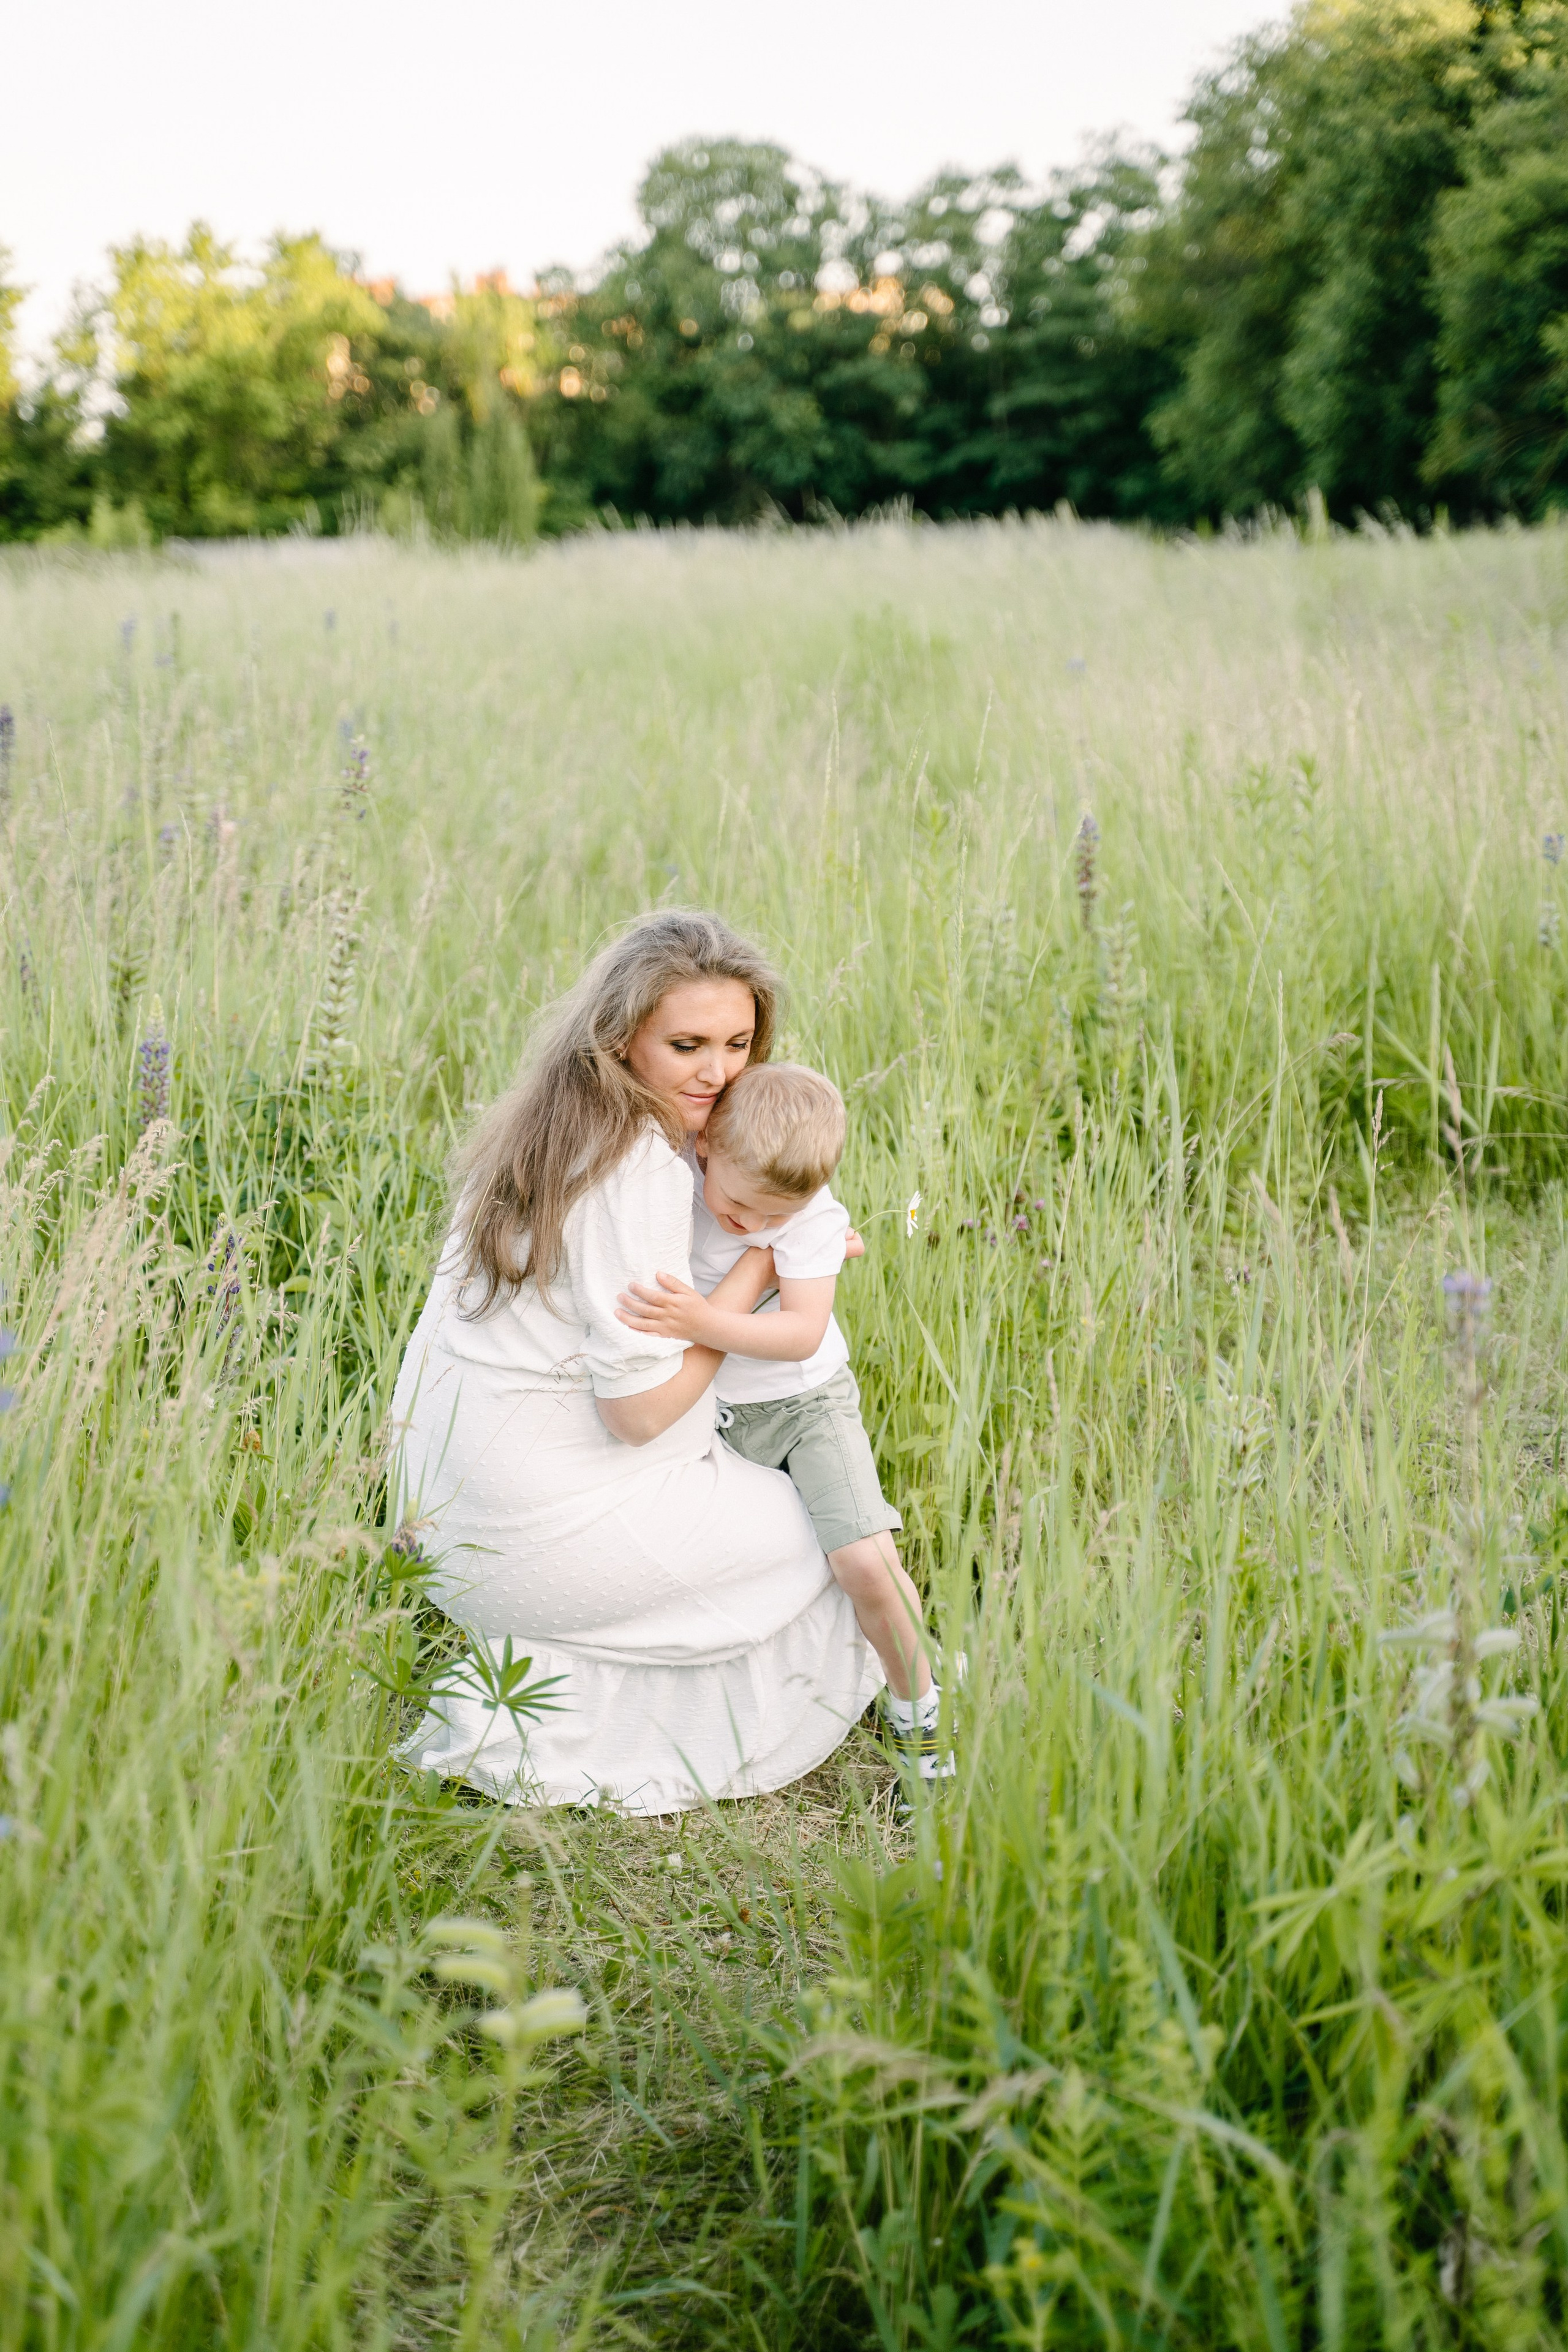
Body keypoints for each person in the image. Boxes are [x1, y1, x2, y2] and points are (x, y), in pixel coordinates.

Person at [388, 911, 884, 1812]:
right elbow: (641, 1414)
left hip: (440, 1512)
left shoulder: (547, 1124)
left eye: (739, 1044)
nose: (719, 1073)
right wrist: (761, 1263)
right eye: (688, 1044)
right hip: (530, 1539)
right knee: (815, 1527)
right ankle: (652, 1715)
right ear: (619, 1037)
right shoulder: (640, 1166)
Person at [613, 1060, 949, 1781]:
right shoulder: (670, 1170)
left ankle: (917, 1711)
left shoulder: (810, 1213)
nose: (757, 1227)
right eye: (741, 1209)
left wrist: (705, 1317)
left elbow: (800, 1331)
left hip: (805, 1407)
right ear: (705, 1147)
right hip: (711, 1412)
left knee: (863, 1558)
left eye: (776, 1218)